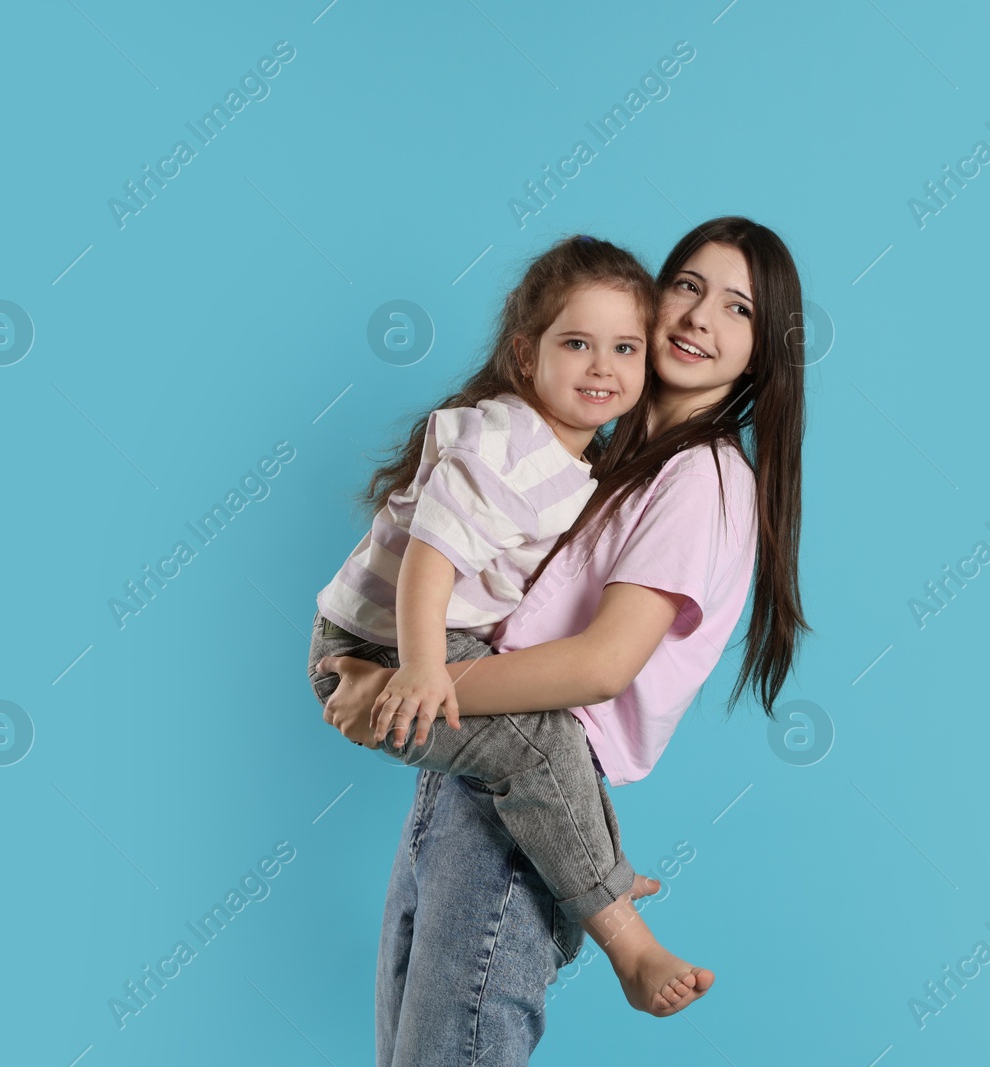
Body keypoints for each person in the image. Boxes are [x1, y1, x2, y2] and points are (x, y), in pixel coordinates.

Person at [321, 217, 809, 1067]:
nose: (698, 317)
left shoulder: (704, 477)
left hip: (521, 800)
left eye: (738, 308)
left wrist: (404, 688)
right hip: (473, 776)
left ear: (763, 353)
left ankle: (622, 927)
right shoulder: (592, 451)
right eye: (687, 287)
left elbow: (602, 663)